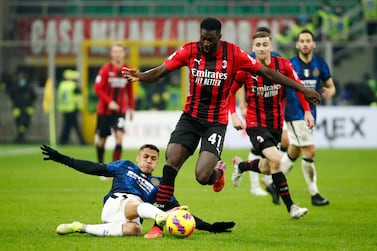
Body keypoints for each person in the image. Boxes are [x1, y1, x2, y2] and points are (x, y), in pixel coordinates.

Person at [122, 17, 321, 212]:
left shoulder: (234, 54)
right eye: (203, 38)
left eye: (211, 39)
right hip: (190, 117)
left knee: (201, 176)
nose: (206, 43)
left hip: (215, 123)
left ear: (220, 37)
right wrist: (140, 76)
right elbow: (159, 72)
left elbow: (268, 73)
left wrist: (302, 89)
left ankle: (218, 174)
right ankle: (161, 216)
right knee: (172, 158)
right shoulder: (189, 50)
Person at [40, 144, 235, 238]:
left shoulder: (159, 184)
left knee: (136, 230)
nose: (149, 161)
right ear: (138, 157)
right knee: (139, 203)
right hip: (115, 205)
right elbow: (94, 168)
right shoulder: (124, 166)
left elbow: (181, 212)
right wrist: (62, 159)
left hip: (129, 220)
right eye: (146, 156)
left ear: (157, 162)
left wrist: (210, 227)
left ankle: (79, 227)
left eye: (153, 158)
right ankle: (160, 217)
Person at [229, 30, 314, 218]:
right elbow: (231, 91)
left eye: (264, 44)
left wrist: (307, 110)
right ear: (253, 48)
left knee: (268, 167)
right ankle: (292, 207)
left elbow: (298, 87)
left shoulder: (283, 65)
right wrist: (233, 114)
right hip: (254, 122)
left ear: (270, 46)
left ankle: (242, 166)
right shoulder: (245, 69)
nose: (261, 48)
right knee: (276, 160)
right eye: (257, 45)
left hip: (275, 123)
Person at [278, 29, 336, 206]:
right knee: (309, 151)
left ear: (313, 44)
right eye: (301, 41)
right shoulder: (291, 65)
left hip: (311, 113)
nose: (304, 43)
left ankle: (275, 182)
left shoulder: (320, 64)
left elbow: (331, 86)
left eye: (307, 40)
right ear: (297, 44)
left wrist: (329, 92)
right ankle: (314, 194)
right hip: (295, 113)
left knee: (294, 150)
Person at [94, 42, 135, 164]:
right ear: (111, 54)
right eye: (115, 52)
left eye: (120, 52)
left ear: (124, 54)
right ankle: (101, 166)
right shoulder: (106, 69)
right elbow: (97, 88)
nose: (117, 54)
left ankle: (114, 169)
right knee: (102, 140)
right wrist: (109, 101)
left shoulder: (128, 70)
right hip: (104, 111)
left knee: (119, 137)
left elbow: (130, 90)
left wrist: (131, 108)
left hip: (120, 111)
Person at [57, 69, 85, 145]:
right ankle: (82, 142)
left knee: (67, 126)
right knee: (75, 126)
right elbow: (77, 97)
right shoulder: (73, 85)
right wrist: (80, 108)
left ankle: (63, 141)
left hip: (64, 108)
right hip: (72, 108)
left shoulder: (61, 85)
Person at [6, 72, 36, 143]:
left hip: (27, 108)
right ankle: (20, 136)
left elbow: (34, 97)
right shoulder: (15, 87)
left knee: (25, 123)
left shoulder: (29, 87)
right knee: (19, 123)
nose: (22, 80)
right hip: (18, 108)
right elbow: (11, 95)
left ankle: (20, 136)